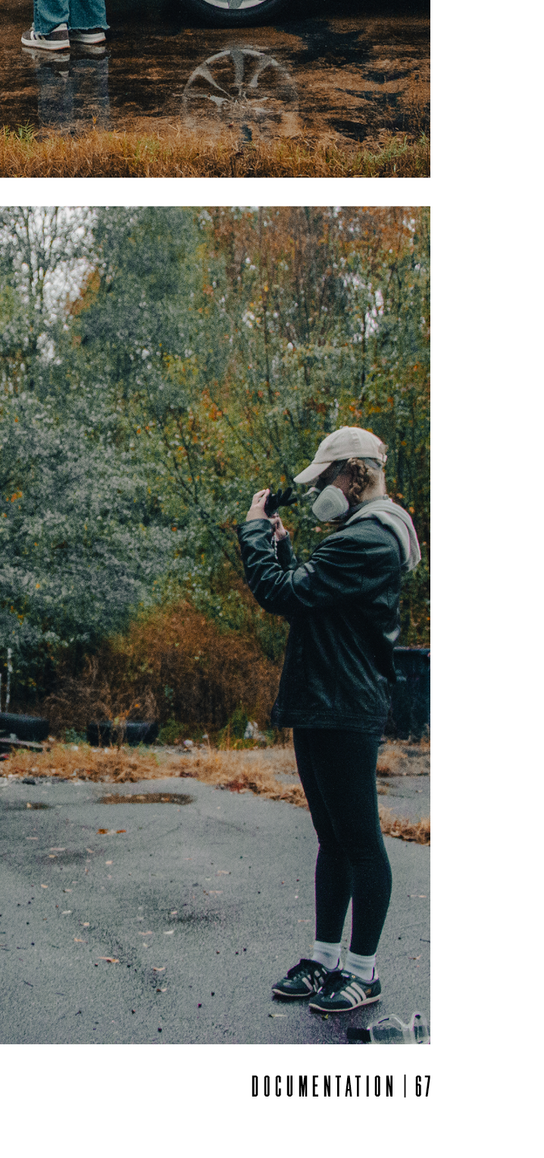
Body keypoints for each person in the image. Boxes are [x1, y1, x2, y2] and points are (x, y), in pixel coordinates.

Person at [237, 427, 422, 1017]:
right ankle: (324, 958)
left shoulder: (371, 536)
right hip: (324, 700)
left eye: (325, 478)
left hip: (345, 705)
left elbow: (280, 594)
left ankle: (362, 971)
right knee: (331, 840)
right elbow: (315, 604)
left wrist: (253, 533)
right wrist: (285, 550)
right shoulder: (355, 536)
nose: (320, 489)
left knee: (361, 842)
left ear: (355, 474)